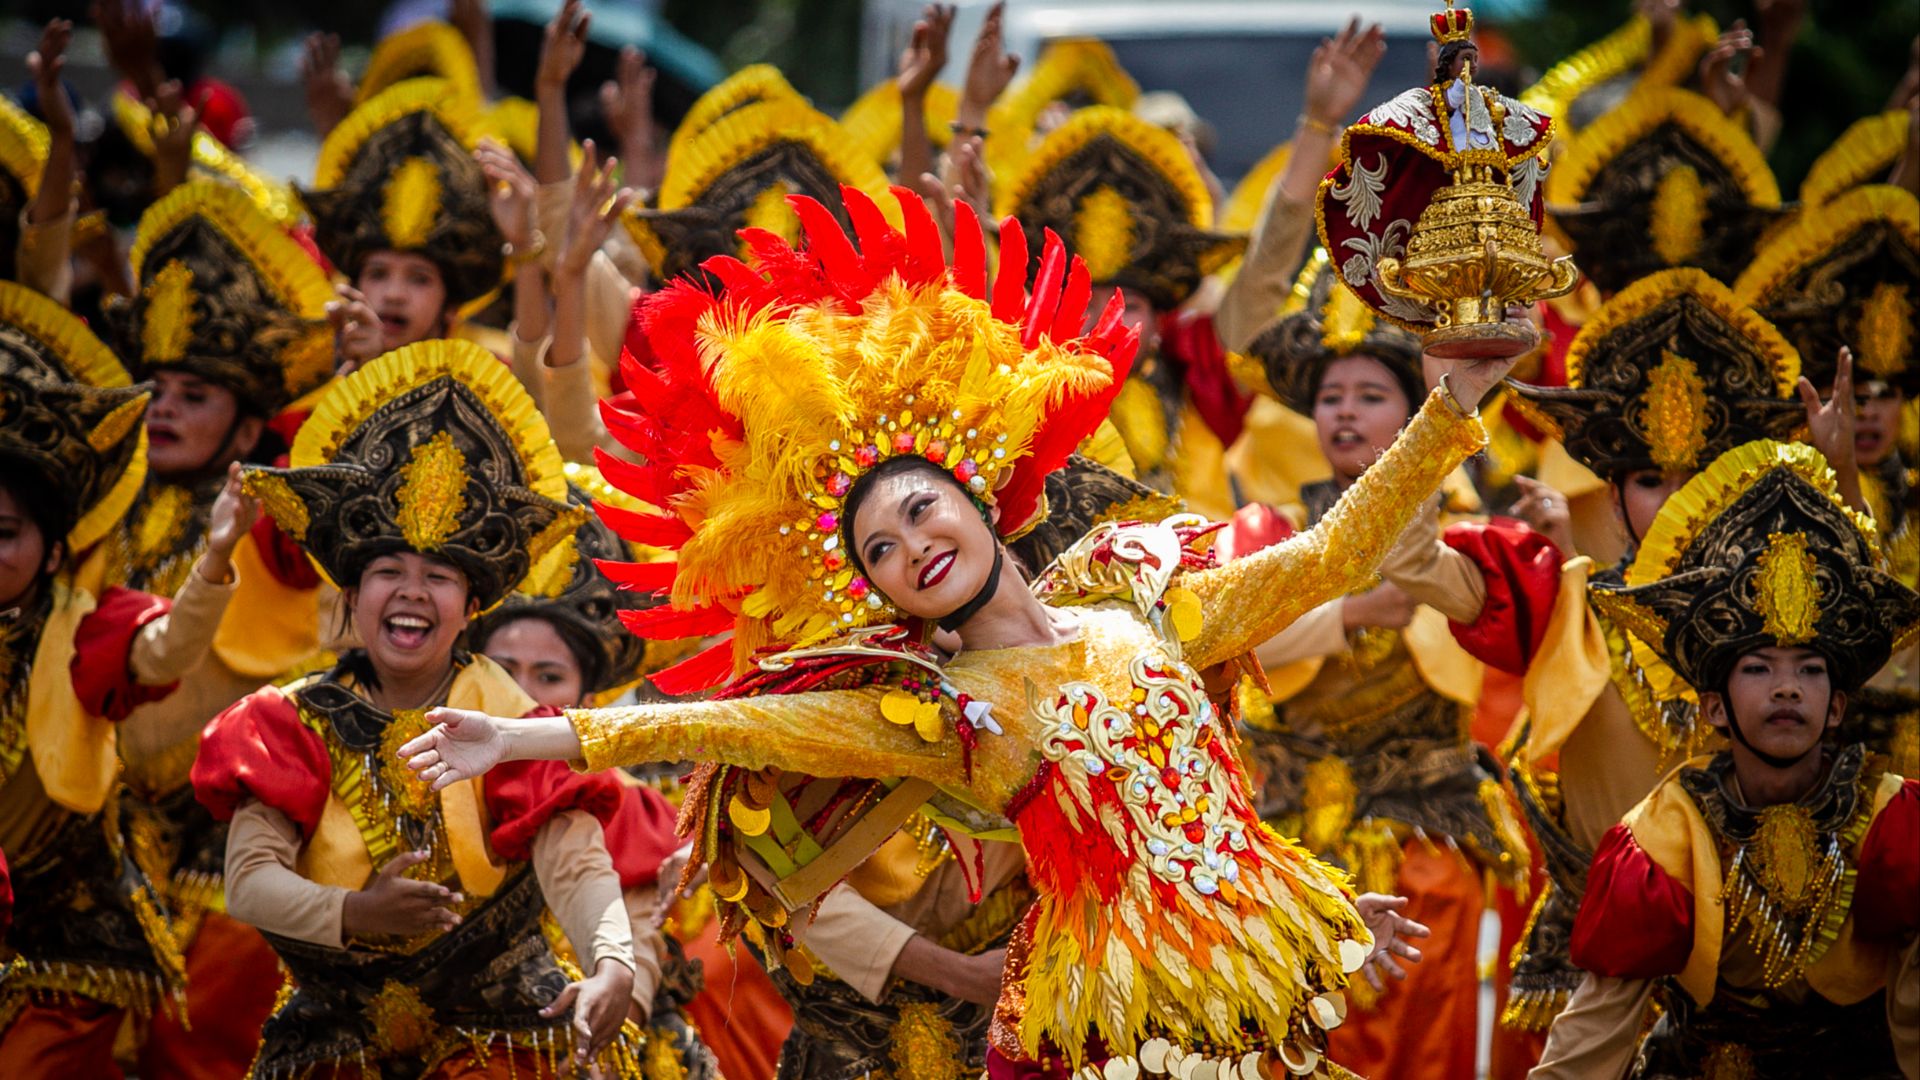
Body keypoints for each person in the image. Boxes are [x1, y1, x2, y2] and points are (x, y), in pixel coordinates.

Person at [395, 187, 1538, 1078]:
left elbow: (1331, 559)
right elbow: (726, 720)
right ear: (888, 599)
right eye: (880, 553)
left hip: (1244, 990)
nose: (909, 547)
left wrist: (1451, 409)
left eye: (919, 510)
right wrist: (528, 741)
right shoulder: (946, 712)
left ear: (981, 499)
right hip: (1091, 1031)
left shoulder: (1141, 601)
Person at [191, 342, 645, 1077]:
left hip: (500, 1032)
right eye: (386, 572)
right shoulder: (286, 722)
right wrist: (355, 916)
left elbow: (575, 858)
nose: (411, 591)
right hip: (335, 1033)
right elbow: (249, 884)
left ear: (471, 608)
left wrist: (613, 960)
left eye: (438, 576)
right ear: (351, 596)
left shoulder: (510, 718)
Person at [1421, 268, 1819, 1036]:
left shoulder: (1791, 622)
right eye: (1646, 478)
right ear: (1612, 496)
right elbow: (1411, 567)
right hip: (1598, 958)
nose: (1673, 498)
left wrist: (1852, 485)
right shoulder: (1566, 596)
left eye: (1697, 475)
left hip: (1754, 959)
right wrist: (1444, 414)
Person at [1218, 252, 1531, 1080]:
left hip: (1428, 836)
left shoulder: (1464, 527)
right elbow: (1222, 640)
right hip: (1289, 844)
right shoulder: (1270, 529)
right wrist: (1348, 613)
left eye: (1370, 397)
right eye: (1330, 398)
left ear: (1410, 416)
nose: (1345, 415)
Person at [1531, 439, 1920, 1077]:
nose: (1787, 687)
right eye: (1758, 668)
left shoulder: (1890, 820)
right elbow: (1593, 1038)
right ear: (1712, 707)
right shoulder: (1666, 832)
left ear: (1840, 705)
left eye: (1811, 669)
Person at [89, 174, 337, 1079]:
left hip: (214, 851)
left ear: (245, 429)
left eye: (195, 394)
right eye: (155, 387)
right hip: (90, 834)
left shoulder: (264, 519)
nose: (164, 408)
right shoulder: (94, 510)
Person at [0, 280, 253, 1072]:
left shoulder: (88, 621)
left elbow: (167, 651)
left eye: (5, 533)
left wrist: (215, 562)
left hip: (64, 929)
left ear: (56, 545)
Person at [467, 465, 721, 1078]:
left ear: (585, 703)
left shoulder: (625, 801)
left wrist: (612, 1003)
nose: (523, 694)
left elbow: (638, 935)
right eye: (504, 671)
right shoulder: (420, 763)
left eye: (549, 678)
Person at [301, 78, 506, 375]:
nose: (394, 294)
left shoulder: (485, 383)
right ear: (352, 287)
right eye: (378, 273)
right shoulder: (314, 391)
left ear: (451, 304)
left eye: (419, 279)